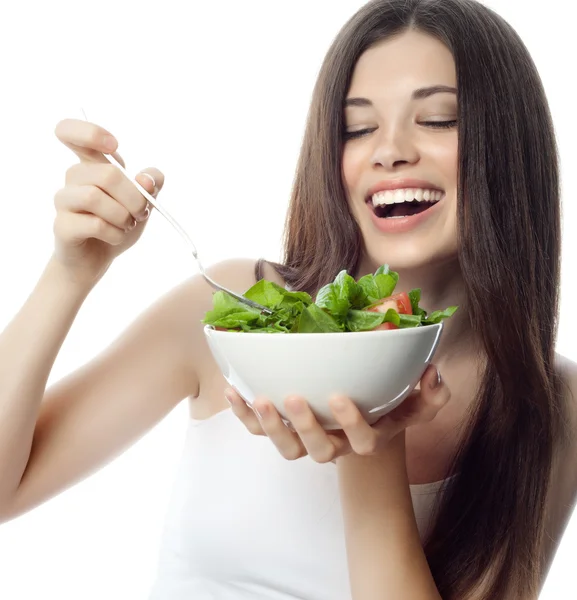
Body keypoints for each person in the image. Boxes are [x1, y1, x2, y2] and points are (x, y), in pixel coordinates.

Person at [0, 0, 575, 598]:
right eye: (357, 128)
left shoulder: (551, 403)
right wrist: (70, 273)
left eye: (437, 119)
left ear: (509, 148)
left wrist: (368, 450)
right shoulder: (238, 311)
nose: (389, 150)